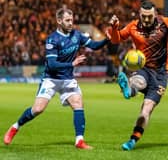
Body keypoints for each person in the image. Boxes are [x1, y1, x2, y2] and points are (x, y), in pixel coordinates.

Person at [4, 8, 109, 149]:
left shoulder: (77, 35)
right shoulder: (52, 39)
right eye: (67, 20)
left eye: (72, 20)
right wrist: (72, 63)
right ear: (59, 21)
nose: (71, 23)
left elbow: (95, 46)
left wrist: (108, 39)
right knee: (38, 109)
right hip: (51, 79)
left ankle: (79, 141)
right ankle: (15, 127)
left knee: (78, 104)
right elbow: (52, 65)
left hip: (67, 79)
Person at [106, 0, 168, 150]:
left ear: (156, 14)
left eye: (149, 16)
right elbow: (116, 39)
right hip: (143, 67)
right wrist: (114, 28)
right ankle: (129, 89)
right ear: (139, 14)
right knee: (139, 81)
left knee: (146, 109)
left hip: (162, 73)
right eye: (143, 16)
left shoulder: (165, 23)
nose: (146, 19)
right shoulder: (133, 26)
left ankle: (132, 140)